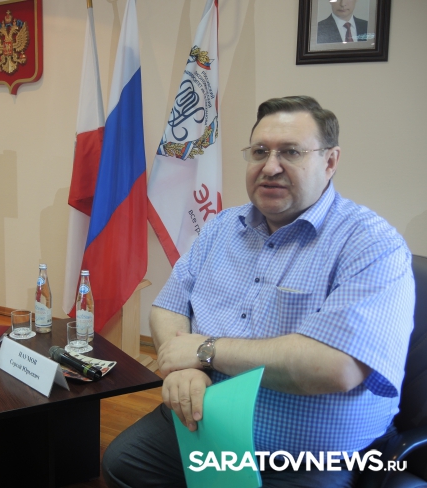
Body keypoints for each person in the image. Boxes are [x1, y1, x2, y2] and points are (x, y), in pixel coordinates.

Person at [102, 96, 414, 487]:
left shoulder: (371, 243)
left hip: (302, 458)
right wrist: (186, 368)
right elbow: (168, 307)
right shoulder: (221, 227)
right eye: (260, 151)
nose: (270, 167)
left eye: (291, 152)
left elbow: (337, 367)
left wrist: (206, 351)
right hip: (202, 424)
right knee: (121, 464)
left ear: (330, 161)